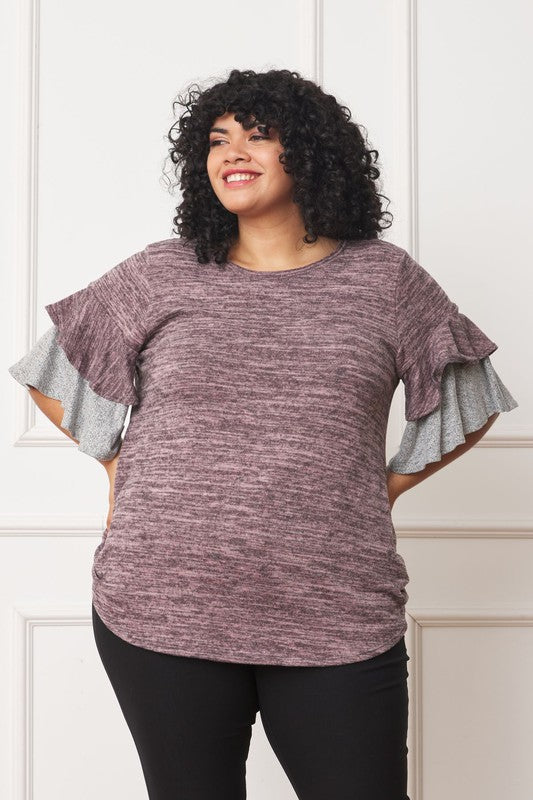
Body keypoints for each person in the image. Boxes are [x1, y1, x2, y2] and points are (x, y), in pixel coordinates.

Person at [8, 68, 518, 800]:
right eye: (216, 140)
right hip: (162, 604)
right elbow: (47, 370)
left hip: (336, 608)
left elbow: (470, 396)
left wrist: (384, 488)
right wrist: (118, 463)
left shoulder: (386, 281)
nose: (231, 153)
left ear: (309, 152)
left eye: (256, 134)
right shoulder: (165, 272)